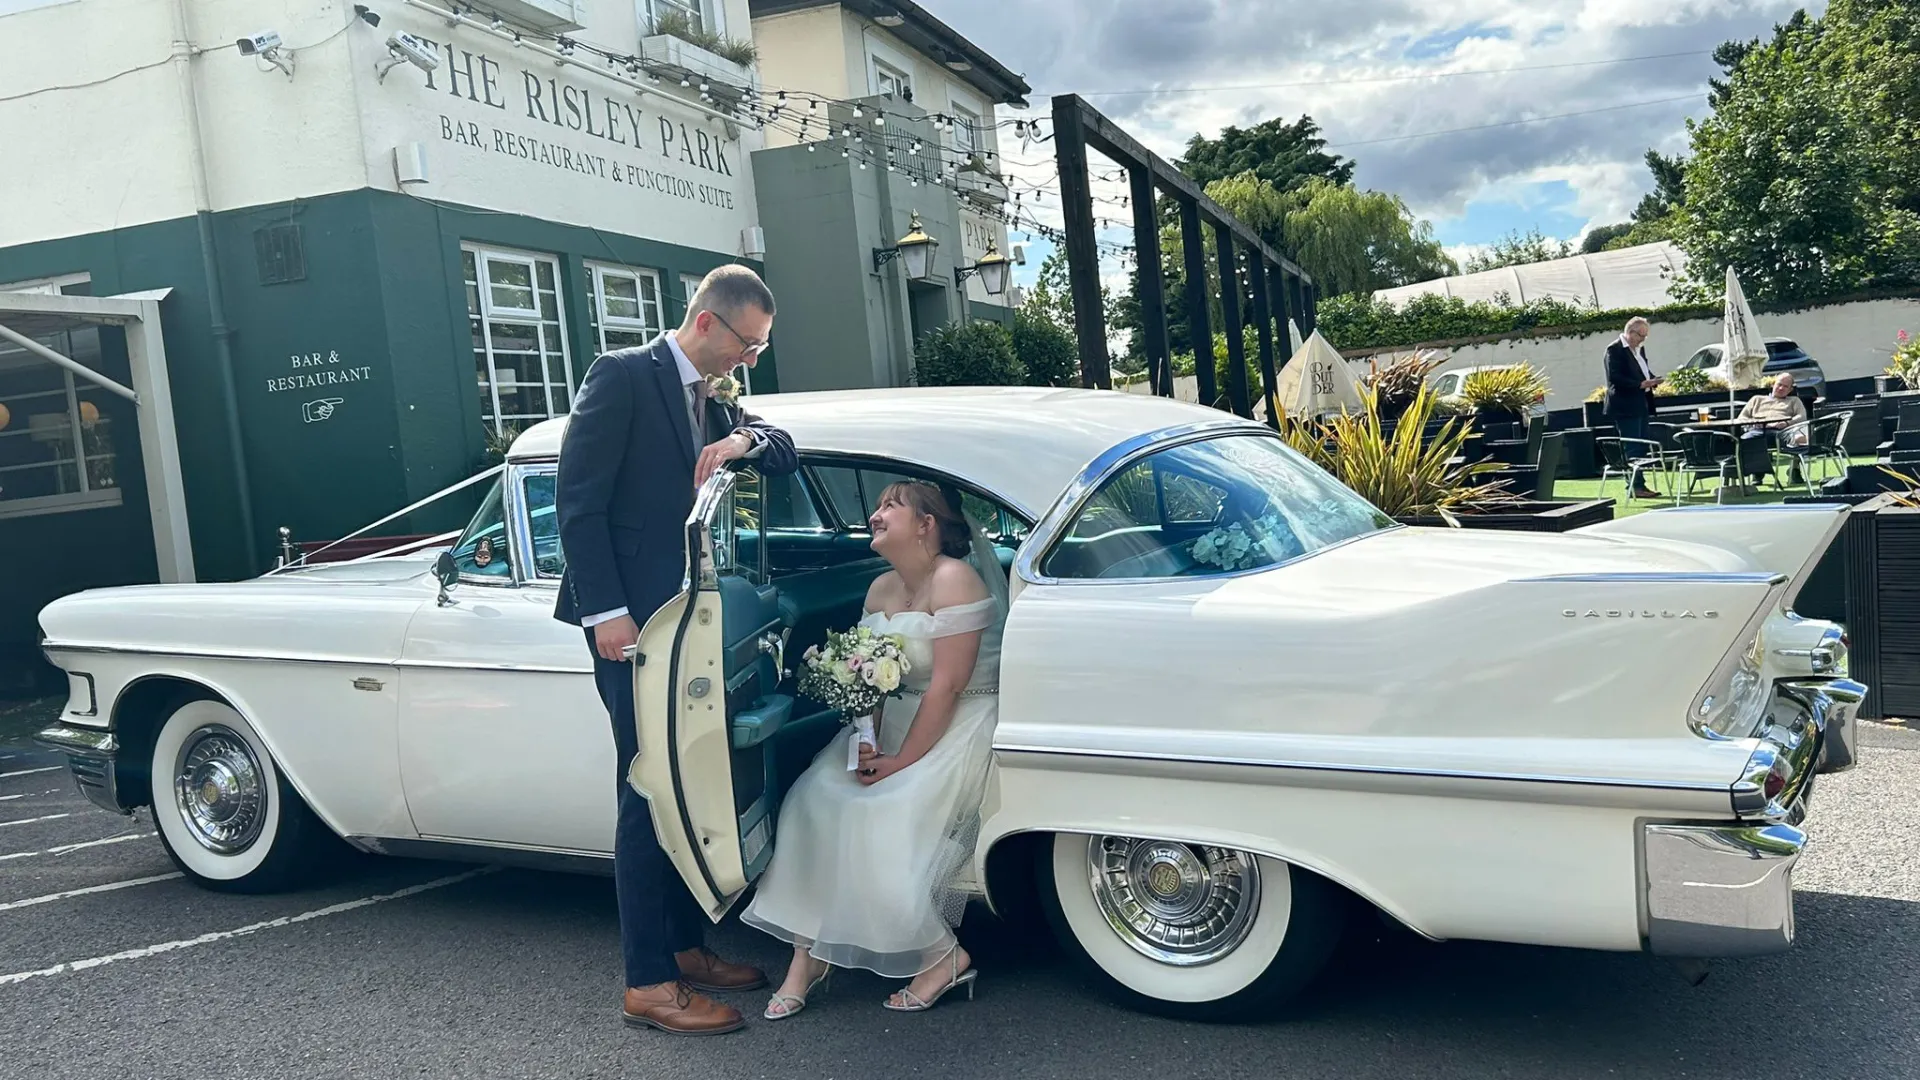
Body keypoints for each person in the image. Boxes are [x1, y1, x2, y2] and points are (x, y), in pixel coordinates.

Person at [553, 264, 799, 1036]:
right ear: (707, 323)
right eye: (748, 344)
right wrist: (607, 616)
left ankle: (686, 949)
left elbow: (786, 447)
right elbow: (578, 504)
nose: (751, 359)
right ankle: (647, 983)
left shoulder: (713, 398)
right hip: (631, 632)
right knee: (647, 792)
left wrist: (737, 442)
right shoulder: (622, 376)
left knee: (689, 786)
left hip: (686, 628)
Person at [742, 481, 1008, 1020]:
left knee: (881, 809)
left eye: (892, 506)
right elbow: (873, 685)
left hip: (959, 721)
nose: (876, 513)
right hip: (896, 723)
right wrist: (866, 743)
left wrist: (899, 763)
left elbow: (948, 687)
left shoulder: (956, 579)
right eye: (879, 504)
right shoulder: (882, 588)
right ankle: (806, 956)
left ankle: (942, 957)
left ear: (926, 525)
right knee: (813, 798)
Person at [1603, 316, 1662, 499]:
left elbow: (1643, 370)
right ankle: (1634, 486)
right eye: (1640, 335)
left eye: (1645, 336)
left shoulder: (1639, 350)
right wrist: (1640, 384)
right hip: (1625, 406)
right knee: (1632, 447)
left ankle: (1639, 485)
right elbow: (1615, 379)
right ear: (1630, 332)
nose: (1643, 339)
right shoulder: (1614, 350)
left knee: (1641, 447)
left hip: (1641, 404)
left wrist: (1652, 380)